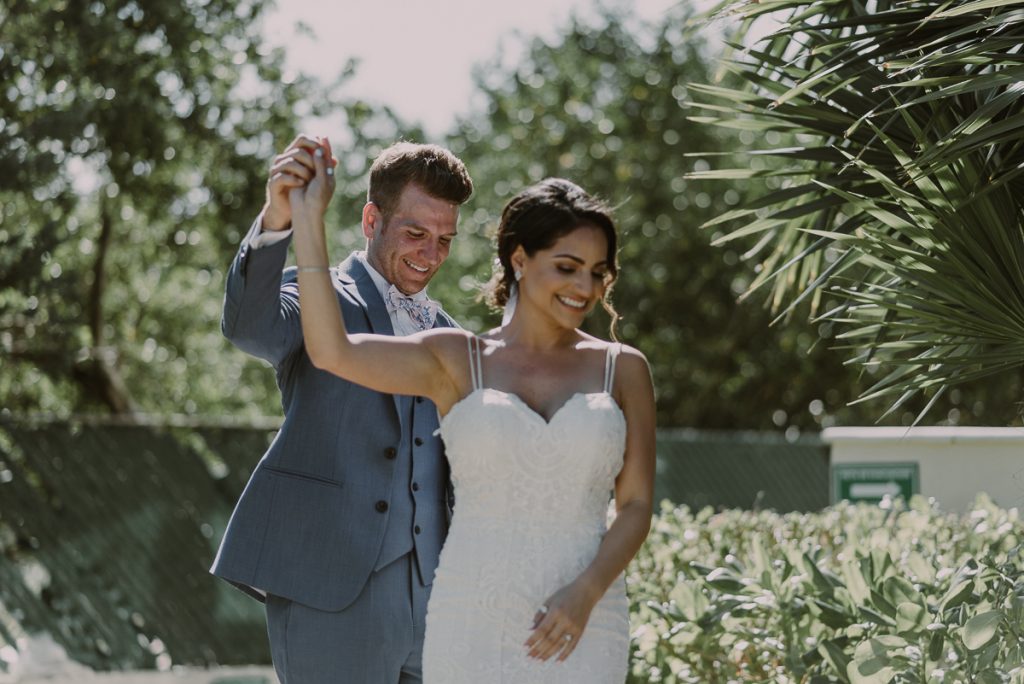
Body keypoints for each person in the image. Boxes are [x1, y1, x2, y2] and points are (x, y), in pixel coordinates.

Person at [290, 137, 655, 682]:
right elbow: (331, 350)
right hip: (471, 620)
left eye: (598, 272)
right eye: (567, 266)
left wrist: (587, 591)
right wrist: (306, 219)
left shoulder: (623, 370)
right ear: (520, 260)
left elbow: (636, 506)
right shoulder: (456, 358)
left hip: (588, 616)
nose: (585, 287)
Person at [210, 136, 474, 684]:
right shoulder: (319, 297)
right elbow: (249, 326)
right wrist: (280, 215)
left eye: (445, 240)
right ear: (372, 219)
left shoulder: (451, 336)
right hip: (328, 590)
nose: (431, 256)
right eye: (416, 234)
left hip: (436, 605)